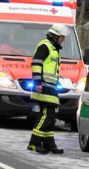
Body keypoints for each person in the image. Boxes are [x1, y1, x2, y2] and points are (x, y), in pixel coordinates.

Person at [26, 24, 68, 154]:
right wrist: (37, 82)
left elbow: (49, 67)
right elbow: (36, 63)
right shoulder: (45, 46)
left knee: (51, 116)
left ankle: (49, 143)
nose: (63, 40)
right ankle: (34, 143)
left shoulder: (53, 48)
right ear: (55, 36)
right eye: (62, 37)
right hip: (43, 86)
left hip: (50, 86)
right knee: (46, 115)